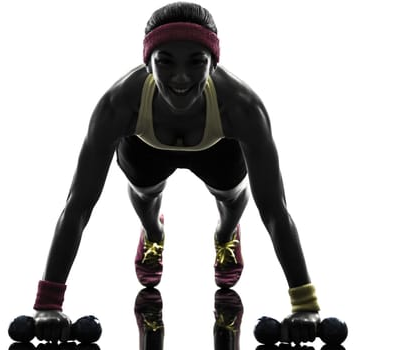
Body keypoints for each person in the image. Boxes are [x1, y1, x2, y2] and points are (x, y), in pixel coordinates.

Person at [32, 1, 321, 344]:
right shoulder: (118, 105)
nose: (180, 77)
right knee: (145, 194)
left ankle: (226, 234)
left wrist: (305, 304)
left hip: (218, 148)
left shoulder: (243, 107)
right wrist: (48, 304)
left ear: (214, 63)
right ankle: (153, 233)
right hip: (146, 146)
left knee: (230, 198)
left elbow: (275, 211)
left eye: (196, 62)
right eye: (165, 62)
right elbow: (78, 206)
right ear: (148, 62)